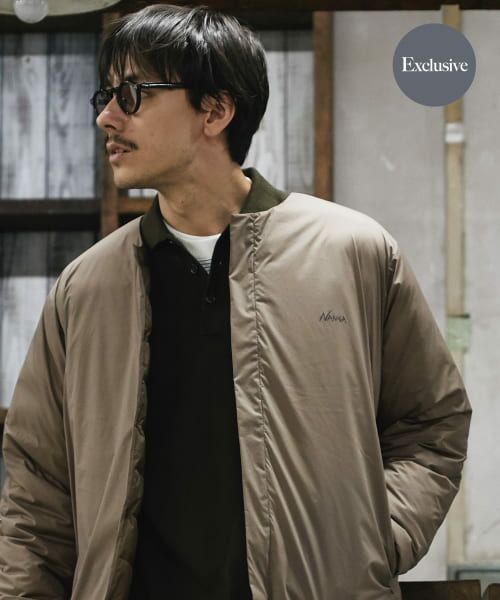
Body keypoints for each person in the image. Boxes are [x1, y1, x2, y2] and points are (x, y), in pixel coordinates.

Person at [0, 4, 471, 600]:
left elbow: (432, 423)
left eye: (132, 94)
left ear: (215, 110)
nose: (106, 117)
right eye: (106, 96)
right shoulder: (85, 288)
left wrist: (373, 540)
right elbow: (36, 489)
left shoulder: (352, 252)